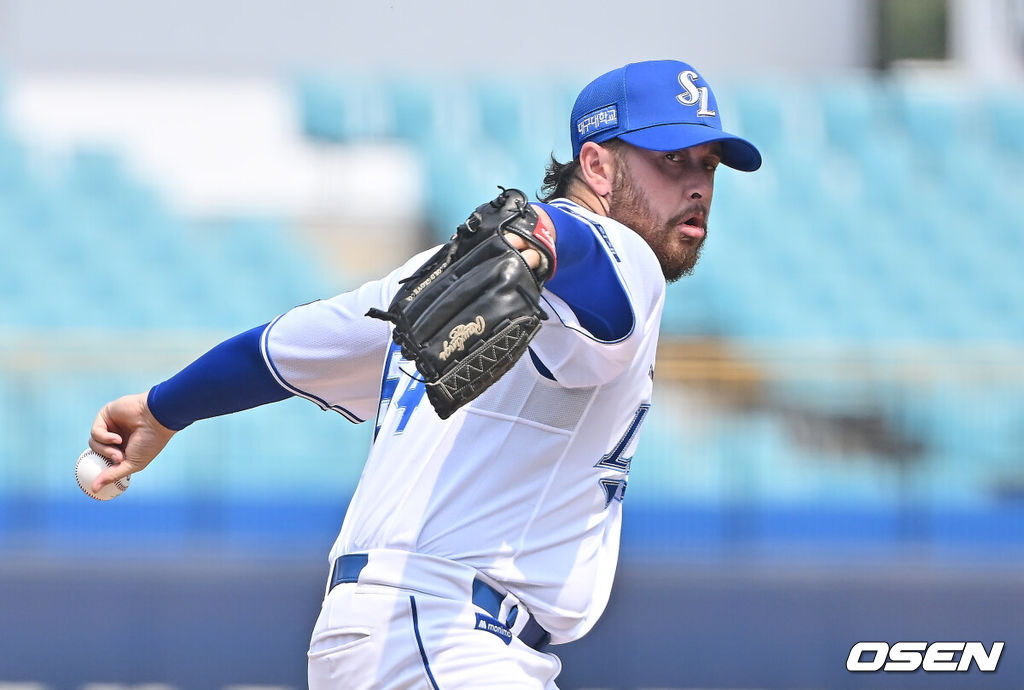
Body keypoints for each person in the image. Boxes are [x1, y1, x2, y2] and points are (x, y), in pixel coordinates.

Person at [87, 59, 760, 689]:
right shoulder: (623, 257)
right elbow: (581, 247)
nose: (698, 184)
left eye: (707, 164)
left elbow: (275, 353)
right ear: (597, 165)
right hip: (445, 639)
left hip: (402, 634)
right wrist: (543, 235)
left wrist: (161, 409)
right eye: (671, 160)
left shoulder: (418, 281)